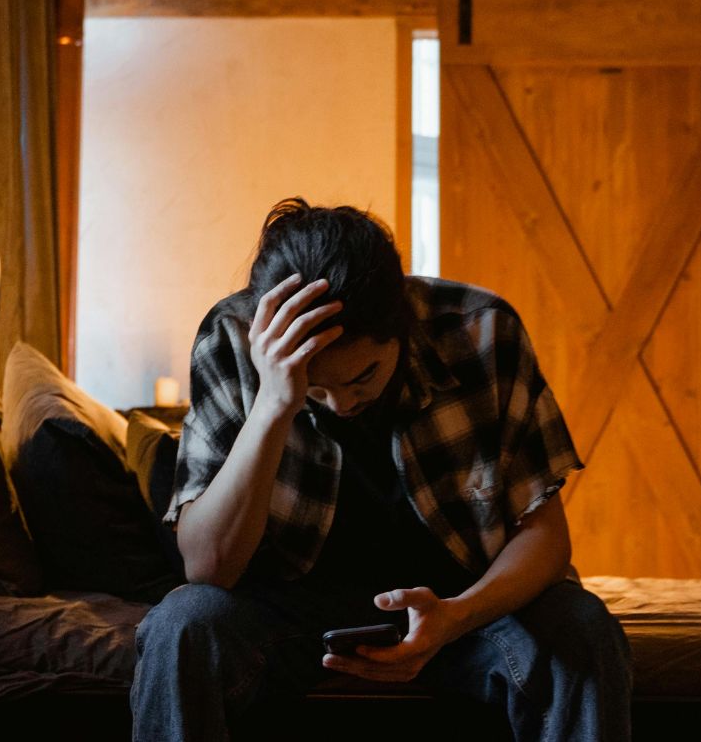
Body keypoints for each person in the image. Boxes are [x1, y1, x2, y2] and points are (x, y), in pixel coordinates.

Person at [130, 198, 632, 741]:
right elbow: (208, 568)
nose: (342, 403)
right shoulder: (232, 338)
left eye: (363, 376)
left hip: (460, 605)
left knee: (580, 625)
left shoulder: (483, 330)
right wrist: (276, 402)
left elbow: (546, 537)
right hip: (289, 609)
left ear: (404, 325)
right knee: (182, 625)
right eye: (317, 388)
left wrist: (457, 617)